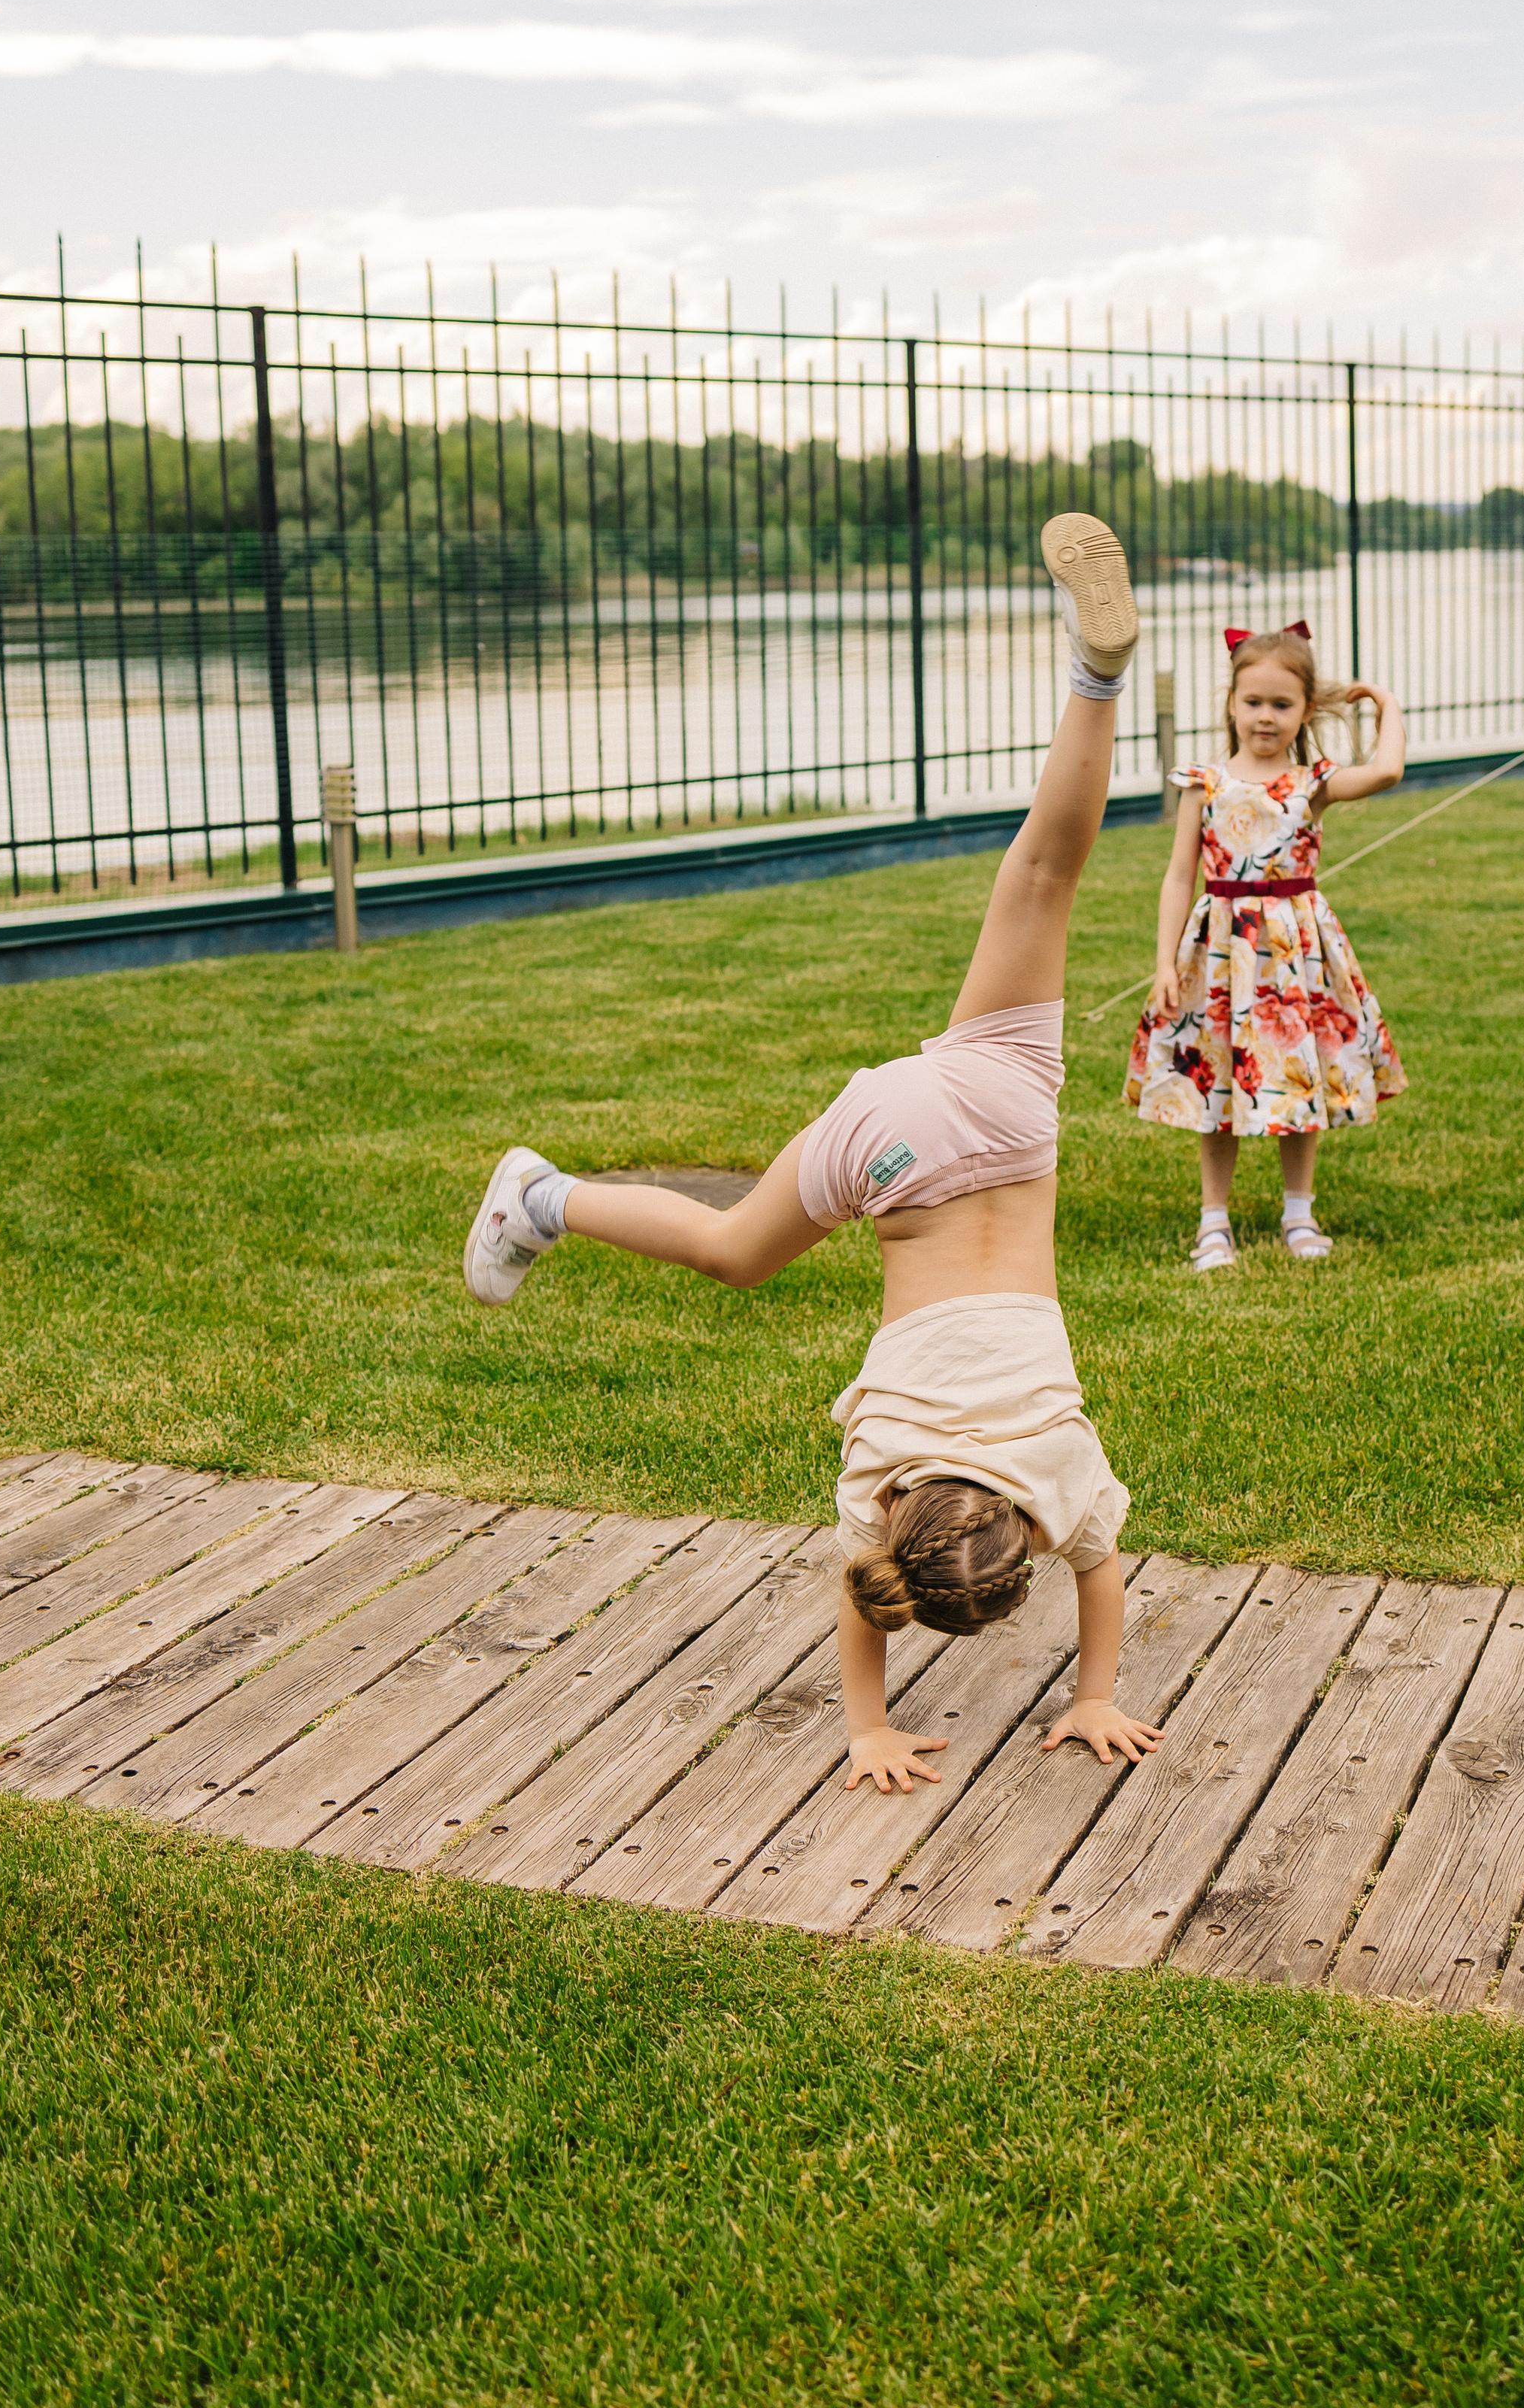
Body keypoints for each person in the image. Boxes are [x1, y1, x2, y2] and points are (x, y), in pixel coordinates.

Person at [462, 513, 1160, 1798]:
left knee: (1046, 879)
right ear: (909, 1537)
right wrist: (871, 1729)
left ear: (1011, 1530)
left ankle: (1097, 680)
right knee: (735, 1249)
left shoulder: (1057, 1475)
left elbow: (1101, 1570)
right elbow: (868, 1596)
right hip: (893, 1150)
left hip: (1001, 1119)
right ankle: (542, 1198)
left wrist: (1098, 1690)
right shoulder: (879, 1486)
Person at [1126, 623, 1407, 1271]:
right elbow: (1177, 876)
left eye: (1282, 705)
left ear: (1306, 710)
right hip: (1219, 955)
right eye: (1253, 702)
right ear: (1231, 704)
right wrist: (1165, 962)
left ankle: (1299, 1214)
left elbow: (1389, 769)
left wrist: (1386, 704)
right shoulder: (1204, 783)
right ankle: (1213, 1222)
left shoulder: (1313, 783)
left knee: (1297, 1078)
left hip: (1294, 955)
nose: (1265, 717)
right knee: (1216, 1084)